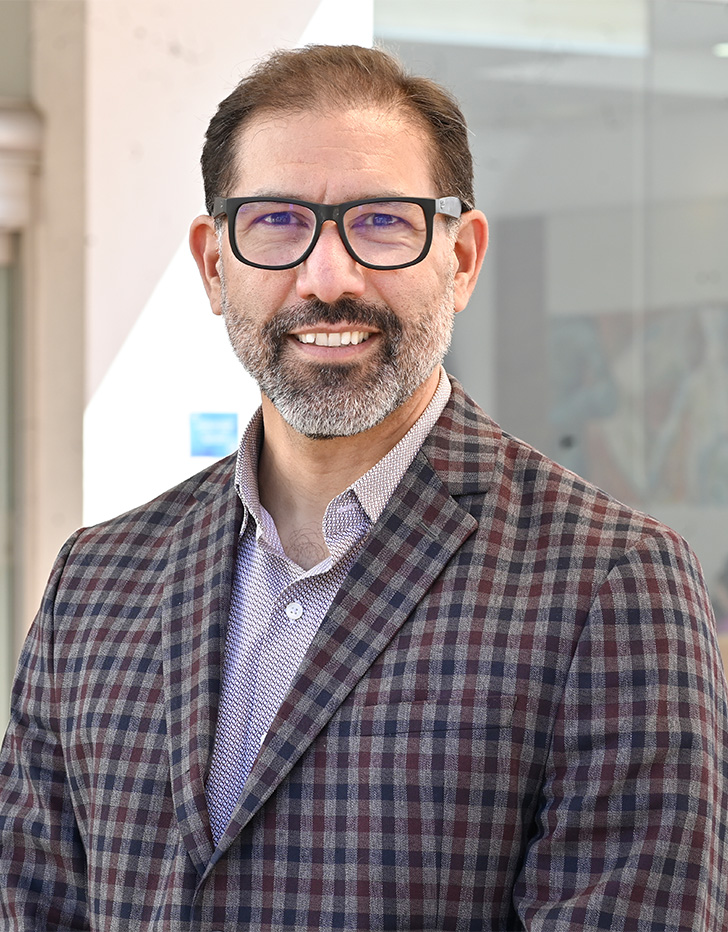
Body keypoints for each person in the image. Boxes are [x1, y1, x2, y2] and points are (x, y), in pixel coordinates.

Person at [1, 44, 727, 932]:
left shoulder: (610, 586)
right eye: (275, 222)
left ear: (460, 260)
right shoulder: (96, 580)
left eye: (382, 222)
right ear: (213, 264)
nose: (328, 275)